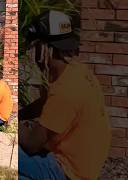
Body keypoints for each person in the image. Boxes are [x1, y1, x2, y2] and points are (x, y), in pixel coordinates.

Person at [19, 10, 111, 180]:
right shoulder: (76, 71)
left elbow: (32, 144)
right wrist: (19, 114)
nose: (33, 54)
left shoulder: (66, 90)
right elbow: (46, 102)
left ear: (43, 47)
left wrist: (14, 127)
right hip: (84, 163)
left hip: (69, 171)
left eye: (34, 47)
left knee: (10, 154)